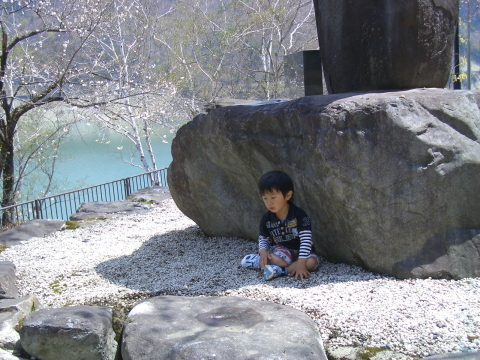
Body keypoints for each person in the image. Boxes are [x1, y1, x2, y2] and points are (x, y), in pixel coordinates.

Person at [241, 170, 319, 280]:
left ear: (288, 195)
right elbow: (264, 238)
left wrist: (301, 263)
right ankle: (257, 260)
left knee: (312, 262)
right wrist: (262, 251)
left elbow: (306, 241)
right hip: (282, 251)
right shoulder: (267, 219)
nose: (269, 203)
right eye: (265, 198)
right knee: (279, 259)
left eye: (273, 198)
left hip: (301, 252)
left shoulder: (299, 216)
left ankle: (279, 271)